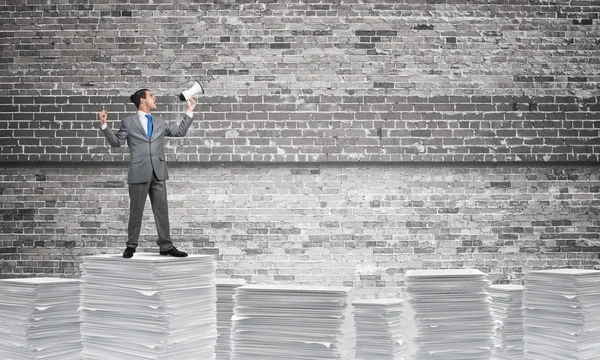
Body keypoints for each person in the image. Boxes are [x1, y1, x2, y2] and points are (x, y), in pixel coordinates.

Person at [98, 88, 198, 258]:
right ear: (142, 100)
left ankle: (166, 246)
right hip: (138, 172)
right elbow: (116, 142)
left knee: (162, 211)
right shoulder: (129, 122)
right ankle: (131, 245)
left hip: (158, 172)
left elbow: (179, 131)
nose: (155, 98)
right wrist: (104, 125)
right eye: (152, 96)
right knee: (136, 211)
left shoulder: (159, 121)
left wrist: (189, 110)